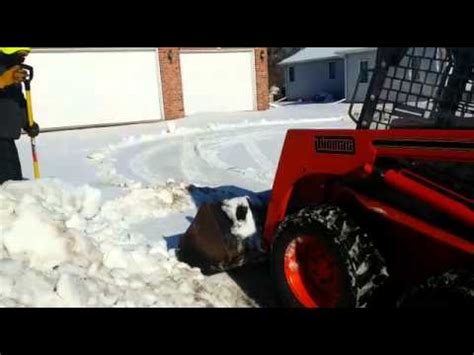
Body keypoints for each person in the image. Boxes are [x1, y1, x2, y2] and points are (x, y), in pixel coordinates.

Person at [0, 47, 40, 184]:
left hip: (7, 138)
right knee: (7, 186)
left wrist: (28, 122)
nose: (23, 60)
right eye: (20, 56)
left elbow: (18, 100)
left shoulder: (13, 73)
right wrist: (2, 81)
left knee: (14, 184)